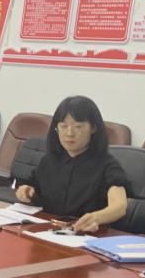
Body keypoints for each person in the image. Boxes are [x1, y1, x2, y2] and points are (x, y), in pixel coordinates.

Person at [15, 95, 128, 232]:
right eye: (63, 126)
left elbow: (119, 207)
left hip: (87, 235)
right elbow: (33, 190)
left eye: (78, 126)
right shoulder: (49, 160)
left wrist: (96, 218)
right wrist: (26, 192)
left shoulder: (107, 164)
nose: (69, 133)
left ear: (93, 128)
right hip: (48, 231)